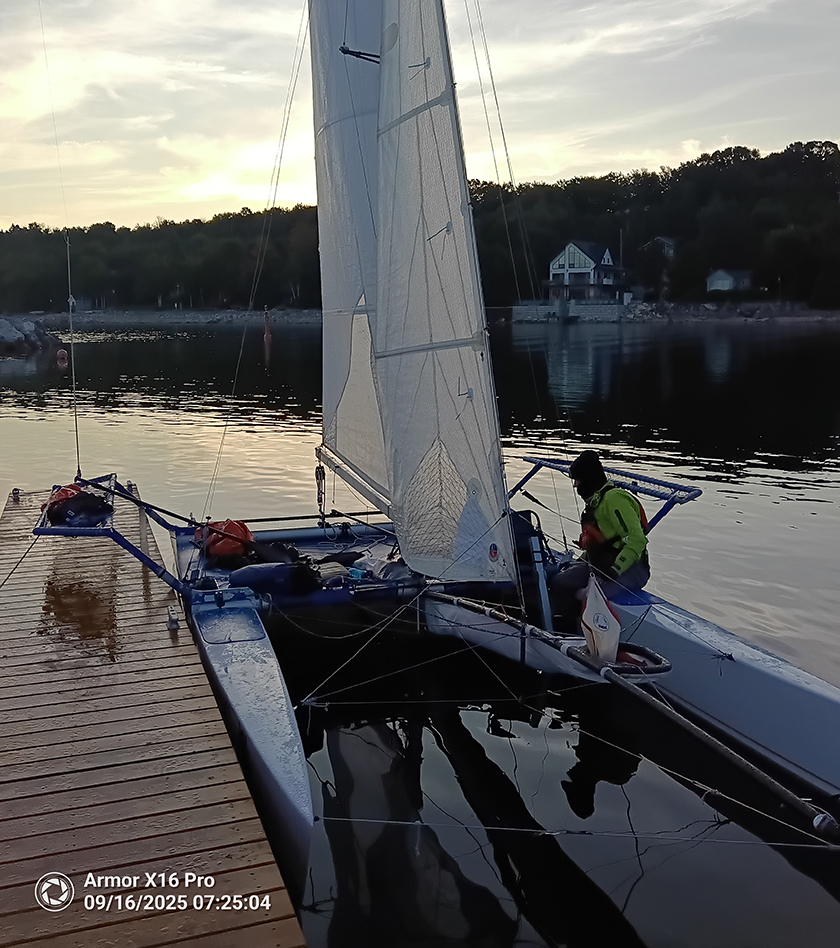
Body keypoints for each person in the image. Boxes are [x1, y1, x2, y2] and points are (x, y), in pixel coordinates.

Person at [549, 450, 650, 632]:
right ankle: (562, 629)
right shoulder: (595, 502)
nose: (575, 485)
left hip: (632, 570)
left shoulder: (614, 499)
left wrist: (614, 571)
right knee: (560, 582)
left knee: (591, 595)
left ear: (589, 479)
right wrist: (579, 563)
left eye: (578, 480)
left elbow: (637, 540)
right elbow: (600, 545)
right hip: (600, 565)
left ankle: (591, 636)